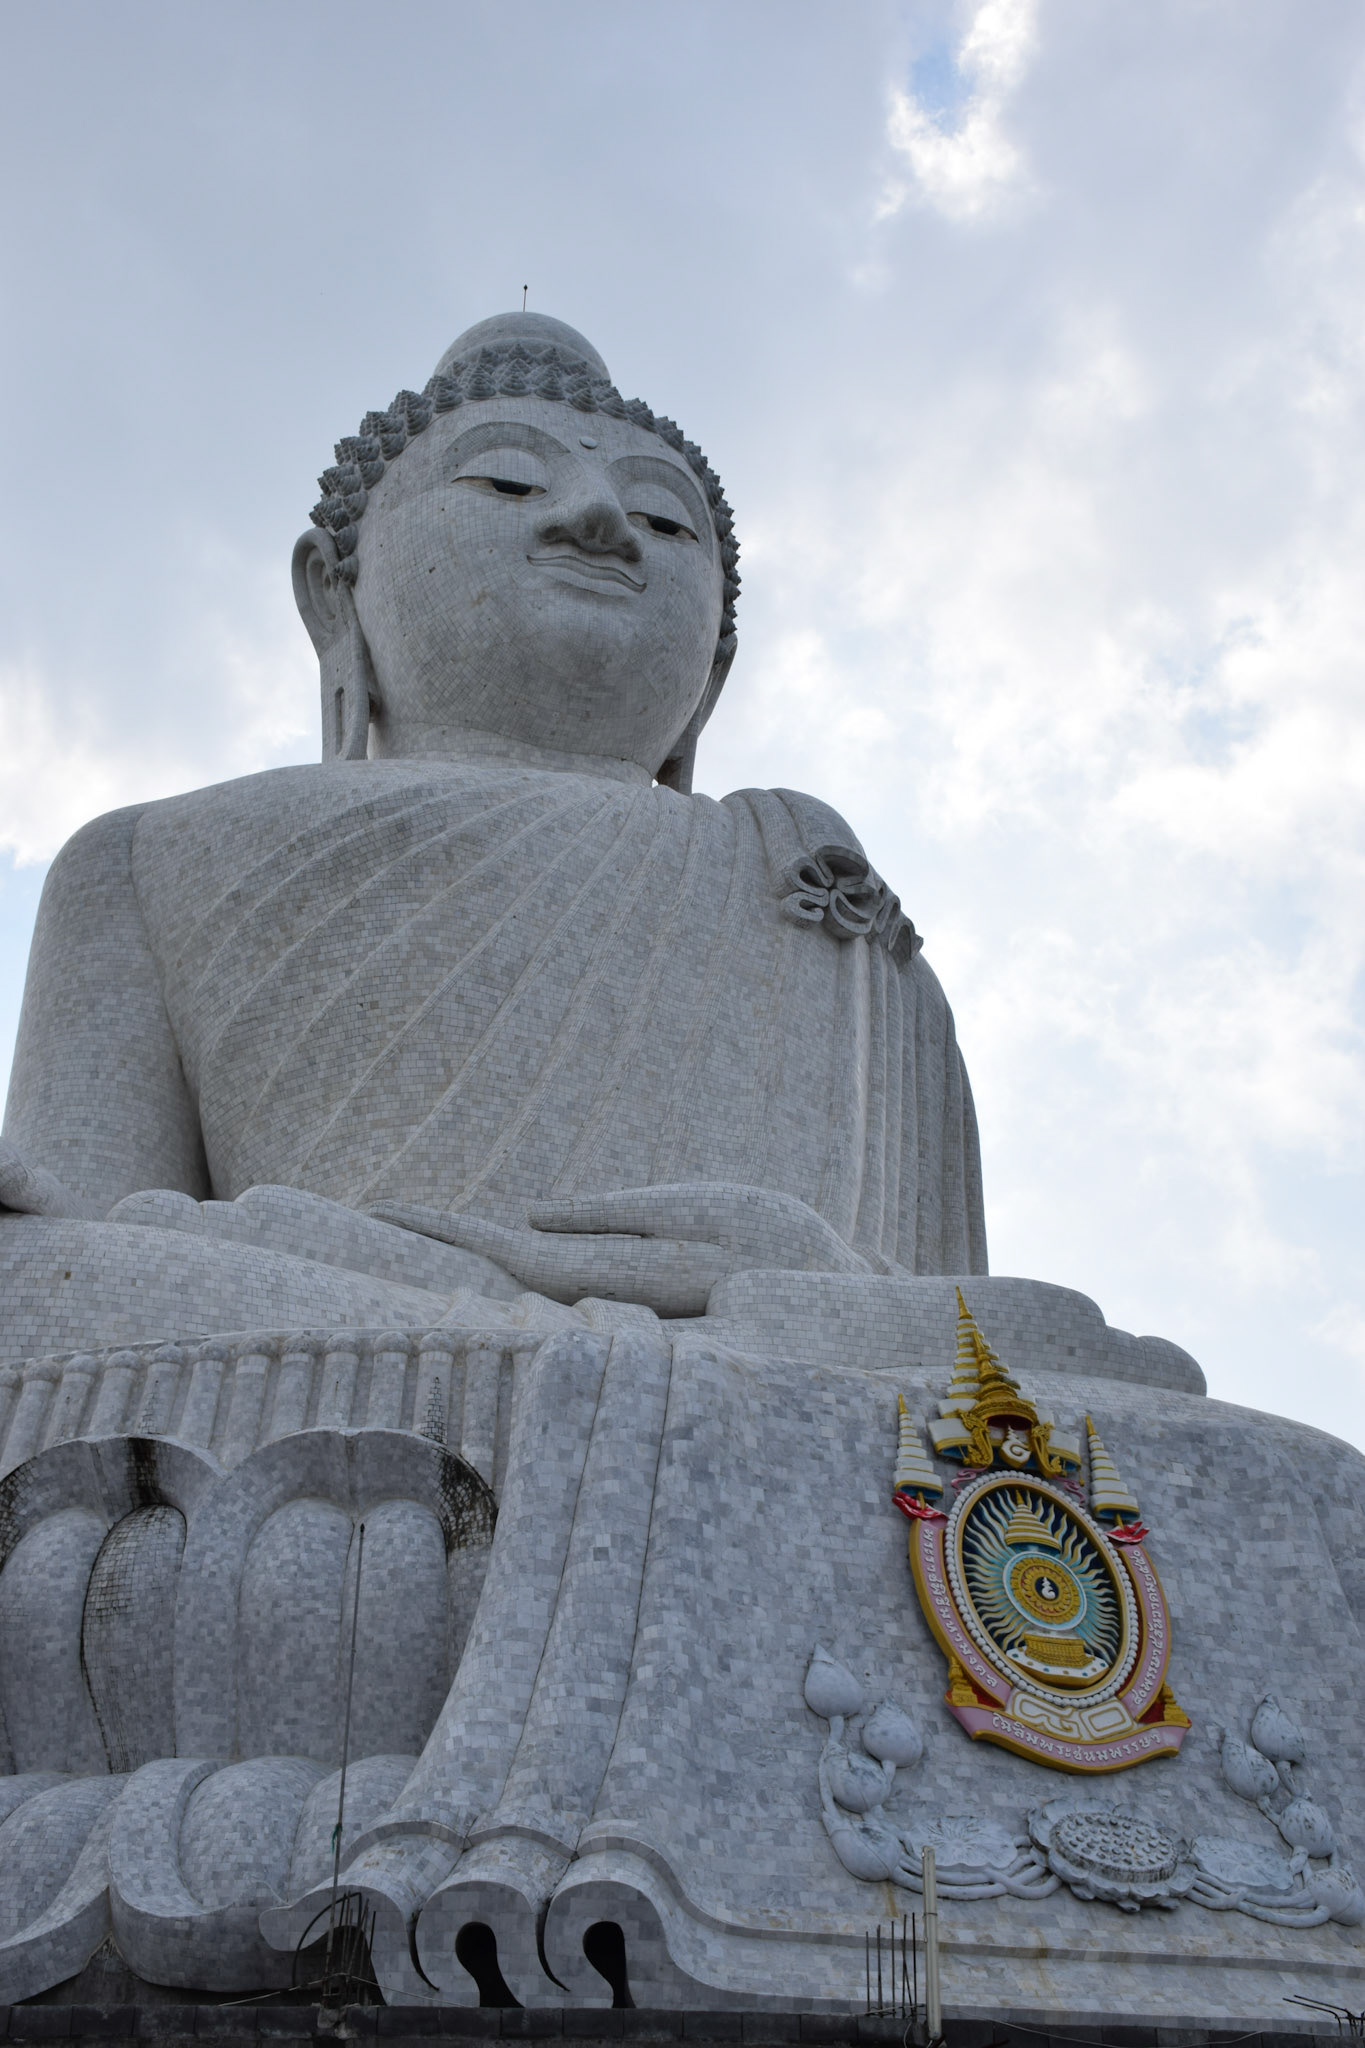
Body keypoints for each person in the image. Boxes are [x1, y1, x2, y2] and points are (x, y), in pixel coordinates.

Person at [0, 310, 987, 1358]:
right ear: (333, 594)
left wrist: (810, 1286)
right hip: (324, 1402)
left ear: (715, 668)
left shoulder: (830, 910)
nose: (597, 517)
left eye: (664, 520)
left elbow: (989, 1377)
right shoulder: (144, 859)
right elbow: (53, 1289)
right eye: (508, 481)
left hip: (790, 1395)